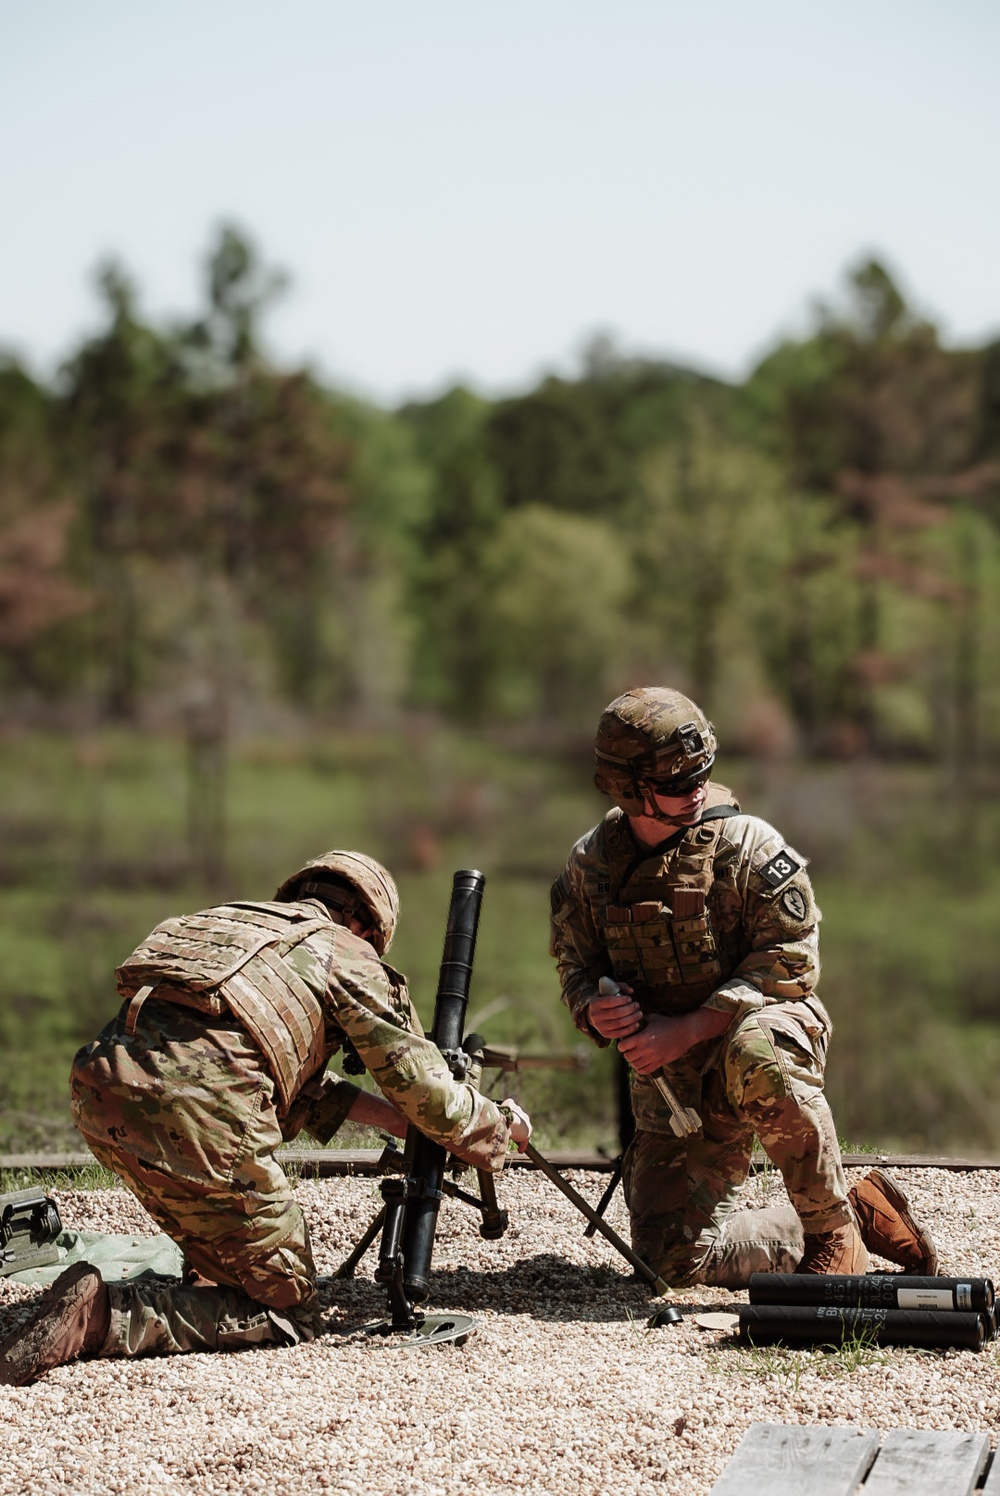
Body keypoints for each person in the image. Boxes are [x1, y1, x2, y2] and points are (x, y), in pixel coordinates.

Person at [0, 850, 530, 1385]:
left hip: (102, 1094)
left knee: (216, 1214)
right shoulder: (345, 952)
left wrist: (395, 1121)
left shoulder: (231, 924)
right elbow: (429, 1093)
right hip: (202, 1117)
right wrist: (499, 1129)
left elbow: (282, 1075)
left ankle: (214, 1265)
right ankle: (103, 1318)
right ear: (365, 924)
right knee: (290, 1312)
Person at [549, 687, 936, 1287]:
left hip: (761, 1033)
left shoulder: (749, 846)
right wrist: (595, 1010)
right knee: (670, 1264)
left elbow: (793, 961)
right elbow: (574, 960)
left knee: (758, 1049)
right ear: (628, 787)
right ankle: (854, 1211)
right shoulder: (592, 866)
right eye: (677, 783)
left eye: (702, 773)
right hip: (675, 1083)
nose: (696, 789)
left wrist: (691, 1026)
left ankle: (832, 1235)